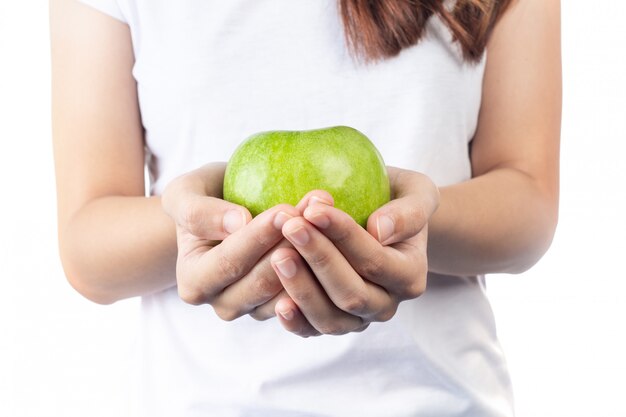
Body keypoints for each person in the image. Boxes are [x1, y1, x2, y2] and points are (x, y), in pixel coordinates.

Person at [50, 0, 561, 415]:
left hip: (439, 400)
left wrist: (408, 218)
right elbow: (86, 243)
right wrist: (203, 224)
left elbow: (528, 201)